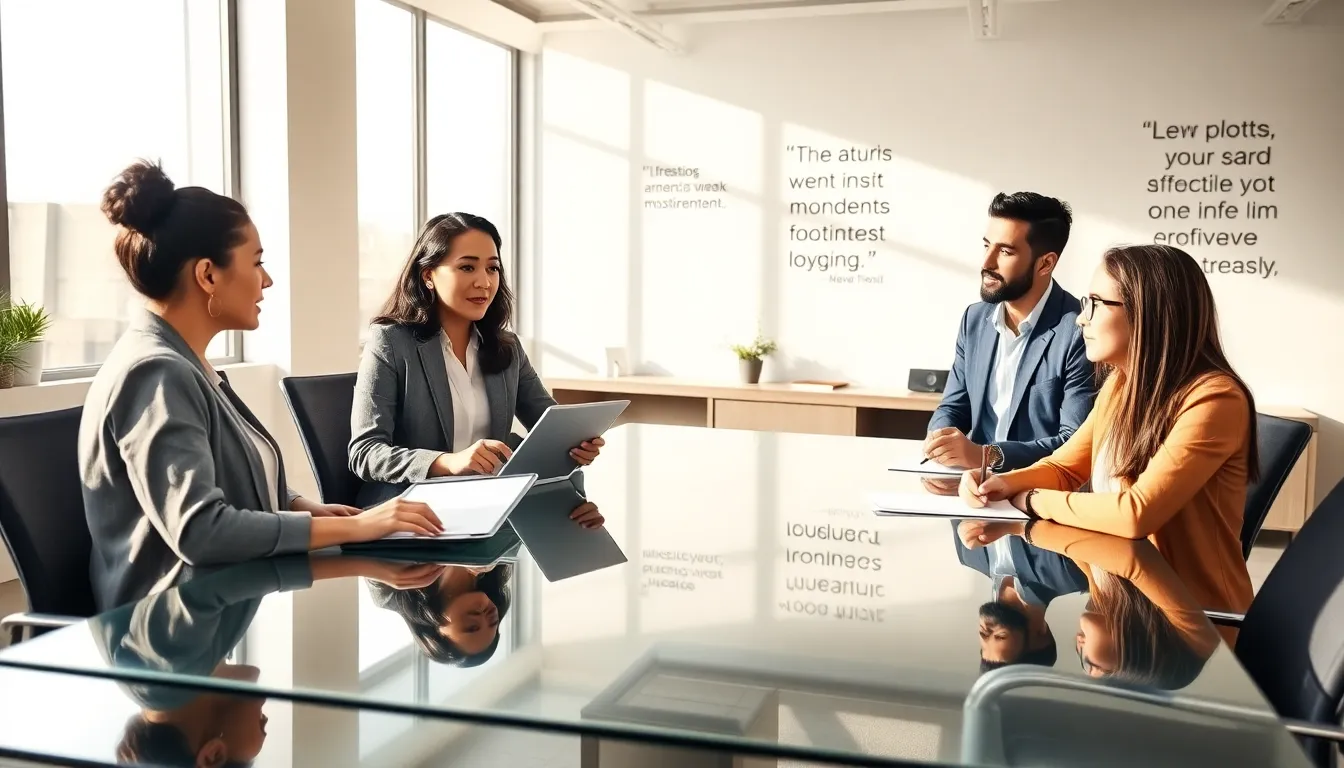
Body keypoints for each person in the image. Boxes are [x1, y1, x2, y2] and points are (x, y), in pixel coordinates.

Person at [81, 161, 445, 611]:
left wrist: (305, 508)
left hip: (227, 603)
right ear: (208, 275)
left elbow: (231, 480)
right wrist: (358, 527)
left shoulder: (187, 364)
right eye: (257, 263)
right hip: (168, 631)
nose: (267, 280)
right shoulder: (155, 372)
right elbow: (201, 531)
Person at [961, 244, 1258, 615]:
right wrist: (1001, 483)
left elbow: (1135, 515)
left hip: (1195, 622)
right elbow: (1064, 469)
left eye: (1096, 304)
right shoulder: (1120, 386)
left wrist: (1030, 499)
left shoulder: (1215, 399)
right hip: (1127, 602)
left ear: (1149, 313)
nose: (1080, 319)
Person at [349, 213, 603, 507]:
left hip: (489, 503)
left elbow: (549, 425)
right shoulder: (391, 343)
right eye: (467, 267)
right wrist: (448, 462)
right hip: (414, 508)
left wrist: (575, 445)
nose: (484, 282)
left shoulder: (506, 346)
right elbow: (365, 453)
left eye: (492, 268)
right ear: (428, 275)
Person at [924, 192, 1096, 487]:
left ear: (1045, 264)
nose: (987, 262)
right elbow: (954, 406)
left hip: (1038, 500)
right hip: (971, 496)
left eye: (1005, 251)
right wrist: (941, 441)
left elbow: (1074, 444)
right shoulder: (974, 319)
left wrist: (985, 456)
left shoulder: (1081, 330)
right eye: (987, 246)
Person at [957, 519, 1220, 686]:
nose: (1078, 645)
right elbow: (1131, 558)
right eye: (1089, 663)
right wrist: (1018, 527)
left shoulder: (1103, 578)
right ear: (1135, 654)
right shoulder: (1133, 562)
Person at [951, 520, 1088, 672]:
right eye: (1000, 637)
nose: (985, 634)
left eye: (983, 638)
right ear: (1039, 639)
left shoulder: (968, 555)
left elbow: (944, 499)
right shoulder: (1069, 574)